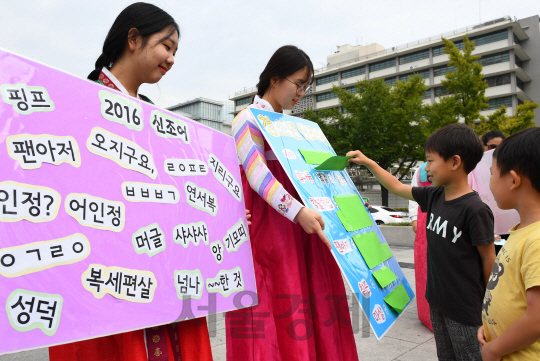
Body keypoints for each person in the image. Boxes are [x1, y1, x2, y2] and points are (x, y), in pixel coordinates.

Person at [49, 3, 213, 361]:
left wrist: (218, 221)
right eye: (166, 46)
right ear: (134, 39)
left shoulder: (156, 116)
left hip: (162, 265)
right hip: (105, 272)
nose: (171, 59)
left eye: (175, 52)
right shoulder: (77, 101)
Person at [227, 45, 357, 361]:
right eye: (298, 83)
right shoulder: (248, 119)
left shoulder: (297, 127)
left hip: (306, 226)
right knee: (275, 305)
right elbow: (256, 174)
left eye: (306, 87)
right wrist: (298, 212)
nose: (302, 92)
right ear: (275, 78)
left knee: (315, 305)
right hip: (272, 230)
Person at [347, 123, 496, 361]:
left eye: (430, 160)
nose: (426, 169)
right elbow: (396, 186)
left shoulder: (475, 210)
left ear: (455, 162)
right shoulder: (434, 196)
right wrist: (369, 162)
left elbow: (489, 259)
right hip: (437, 302)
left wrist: (492, 310)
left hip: (466, 311)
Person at [477, 127, 540, 361]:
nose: (489, 182)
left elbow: (536, 319)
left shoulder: (536, 240)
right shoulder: (522, 231)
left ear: (513, 180)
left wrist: (494, 349)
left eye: (492, 174)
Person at [408, 163, 433, 331]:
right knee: (424, 266)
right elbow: (412, 195)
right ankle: (426, 313)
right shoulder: (420, 170)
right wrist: (413, 218)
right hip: (424, 217)